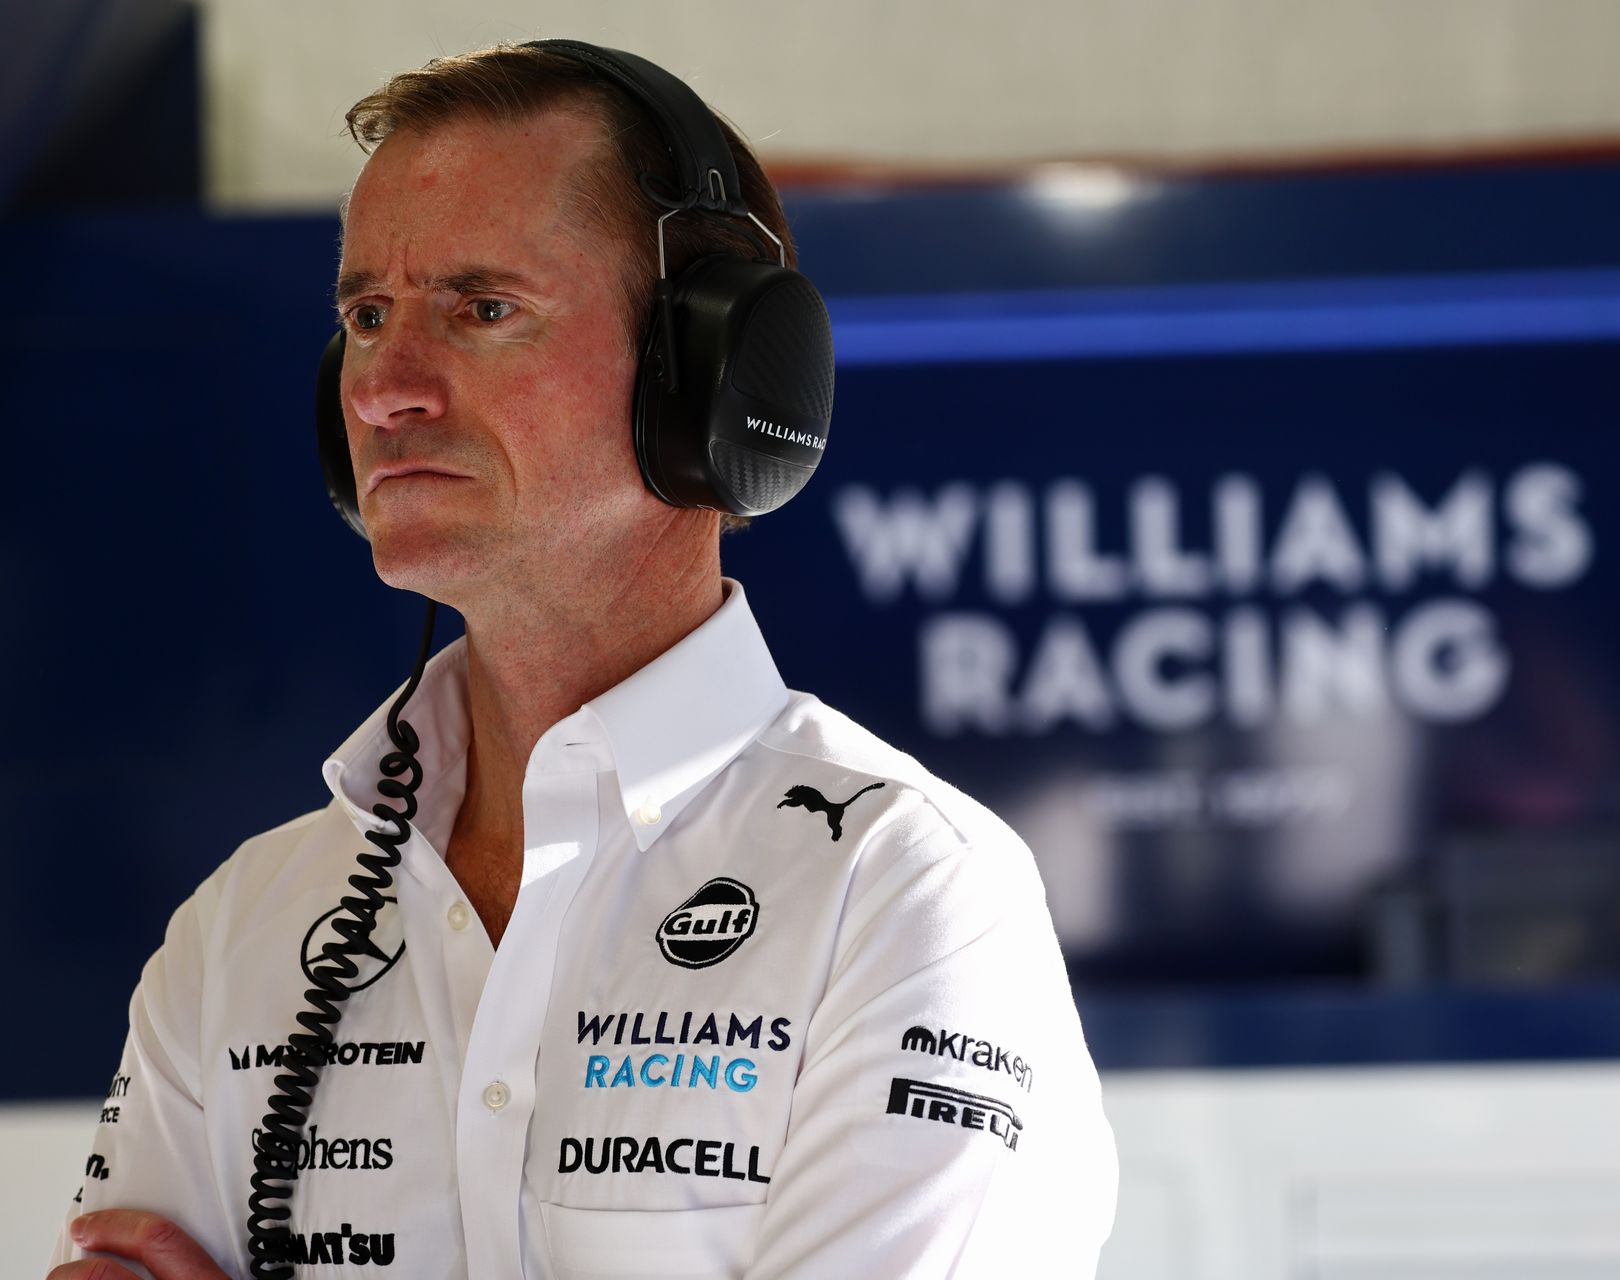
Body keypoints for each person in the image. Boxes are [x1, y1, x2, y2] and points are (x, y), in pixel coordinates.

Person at [50, 39, 1116, 1280]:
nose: (385, 387)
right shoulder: (240, 926)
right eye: (367, 315)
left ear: (708, 376)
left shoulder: (906, 891)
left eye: (482, 308)